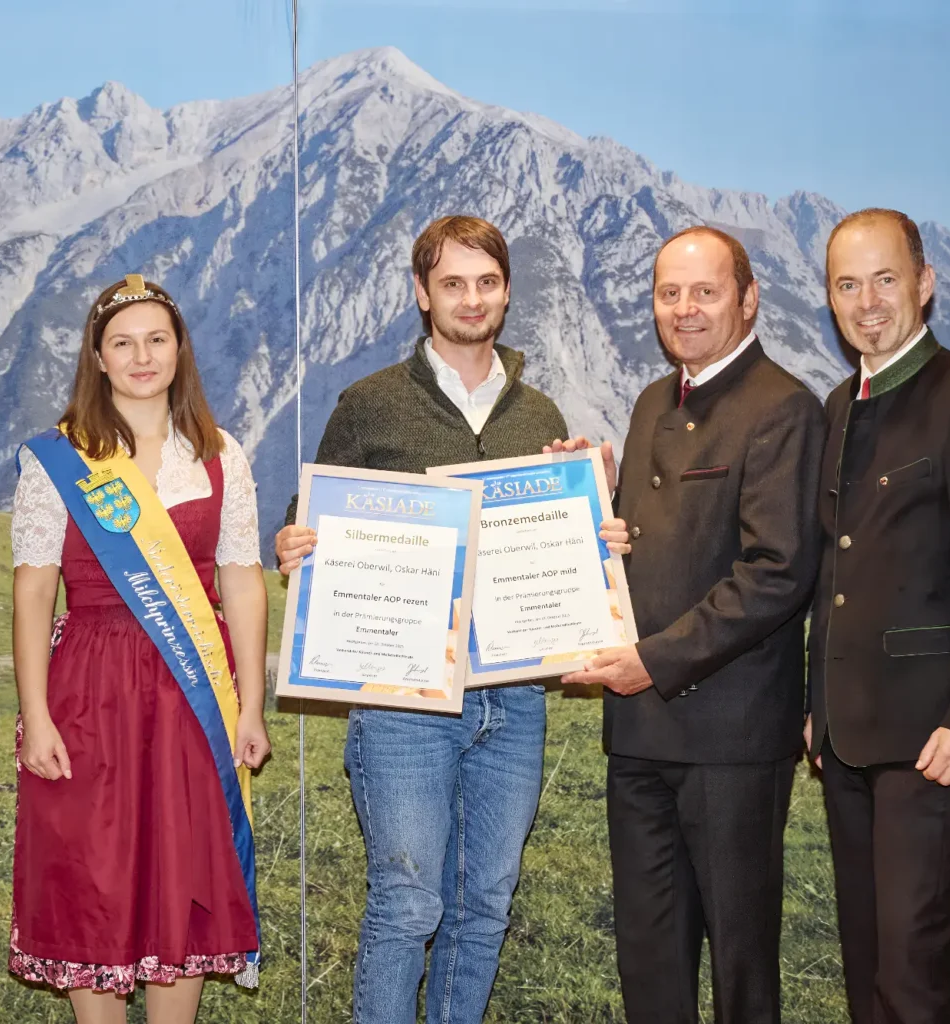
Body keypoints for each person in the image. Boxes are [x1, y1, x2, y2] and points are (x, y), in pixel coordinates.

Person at [276, 216, 585, 1024]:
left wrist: (596, 533)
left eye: (486, 282)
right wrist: (295, 540)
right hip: (402, 702)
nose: (471, 298)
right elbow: (307, 514)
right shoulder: (369, 403)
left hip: (513, 701)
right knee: (408, 905)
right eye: (452, 283)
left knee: (483, 908)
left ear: (507, 292)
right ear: (423, 294)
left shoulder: (541, 414)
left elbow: (562, 547)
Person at [563, 226, 825, 1022]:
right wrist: (583, 502)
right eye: (668, 293)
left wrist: (654, 660)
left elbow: (776, 571)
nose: (684, 309)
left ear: (747, 299)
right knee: (648, 955)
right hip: (638, 733)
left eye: (705, 291)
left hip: (731, 739)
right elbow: (647, 547)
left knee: (741, 964)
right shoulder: (651, 402)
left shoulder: (782, 408)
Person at [7, 275, 270, 1024]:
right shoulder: (58, 458)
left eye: (157, 339)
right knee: (93, 868)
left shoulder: (222, 457)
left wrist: (250, 706)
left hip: (193, 691)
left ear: (180, 349)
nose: (141, 356)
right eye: (122, 342)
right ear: (97, 356)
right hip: (88, 688)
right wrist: (35, 714)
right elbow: (33, 591)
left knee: (182, 867)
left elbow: (243, 583)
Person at [806, 209, 950, 1023]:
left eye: (886, 278)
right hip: (845, 736)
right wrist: (815, 710)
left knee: (909, 965)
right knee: (866, 962)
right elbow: (834, 568)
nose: (868, 301)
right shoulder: (838, 405)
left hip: (932, 737)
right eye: (847, 284)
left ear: (925, 284)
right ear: (830, 299)